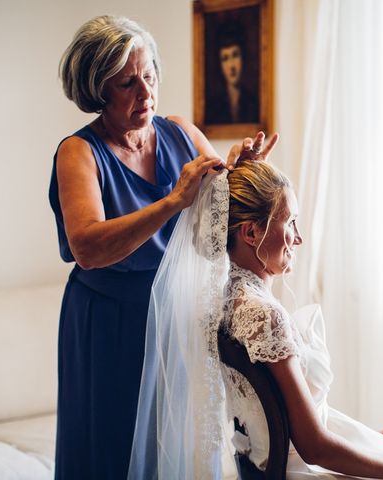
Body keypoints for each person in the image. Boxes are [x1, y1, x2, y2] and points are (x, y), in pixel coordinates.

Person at [132, 159, 383, 479]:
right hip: (308, 467)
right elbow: (312, 446)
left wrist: (368, 438)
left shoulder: (227, 301)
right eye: (290, 223)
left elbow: (282, 419)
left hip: (294, 453)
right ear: (251, 232)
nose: (297, 238)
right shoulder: (261, 315)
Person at [48, 15, 277, 480]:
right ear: (96, 89)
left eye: (149, 75)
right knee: (109, 445)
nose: (145, 93)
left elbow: (219, 206)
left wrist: (239, 170)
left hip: (175, 317)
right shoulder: (79, 153)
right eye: (127, 83)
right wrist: (174, 201)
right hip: (107, 322)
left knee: (173, 446)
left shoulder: (179, 132)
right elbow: (88, 246)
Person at [205, 21, 259, 125]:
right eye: (225, 58)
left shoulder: (254, 103)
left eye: (235, 55)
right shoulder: (213, 106)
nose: (231, 65)